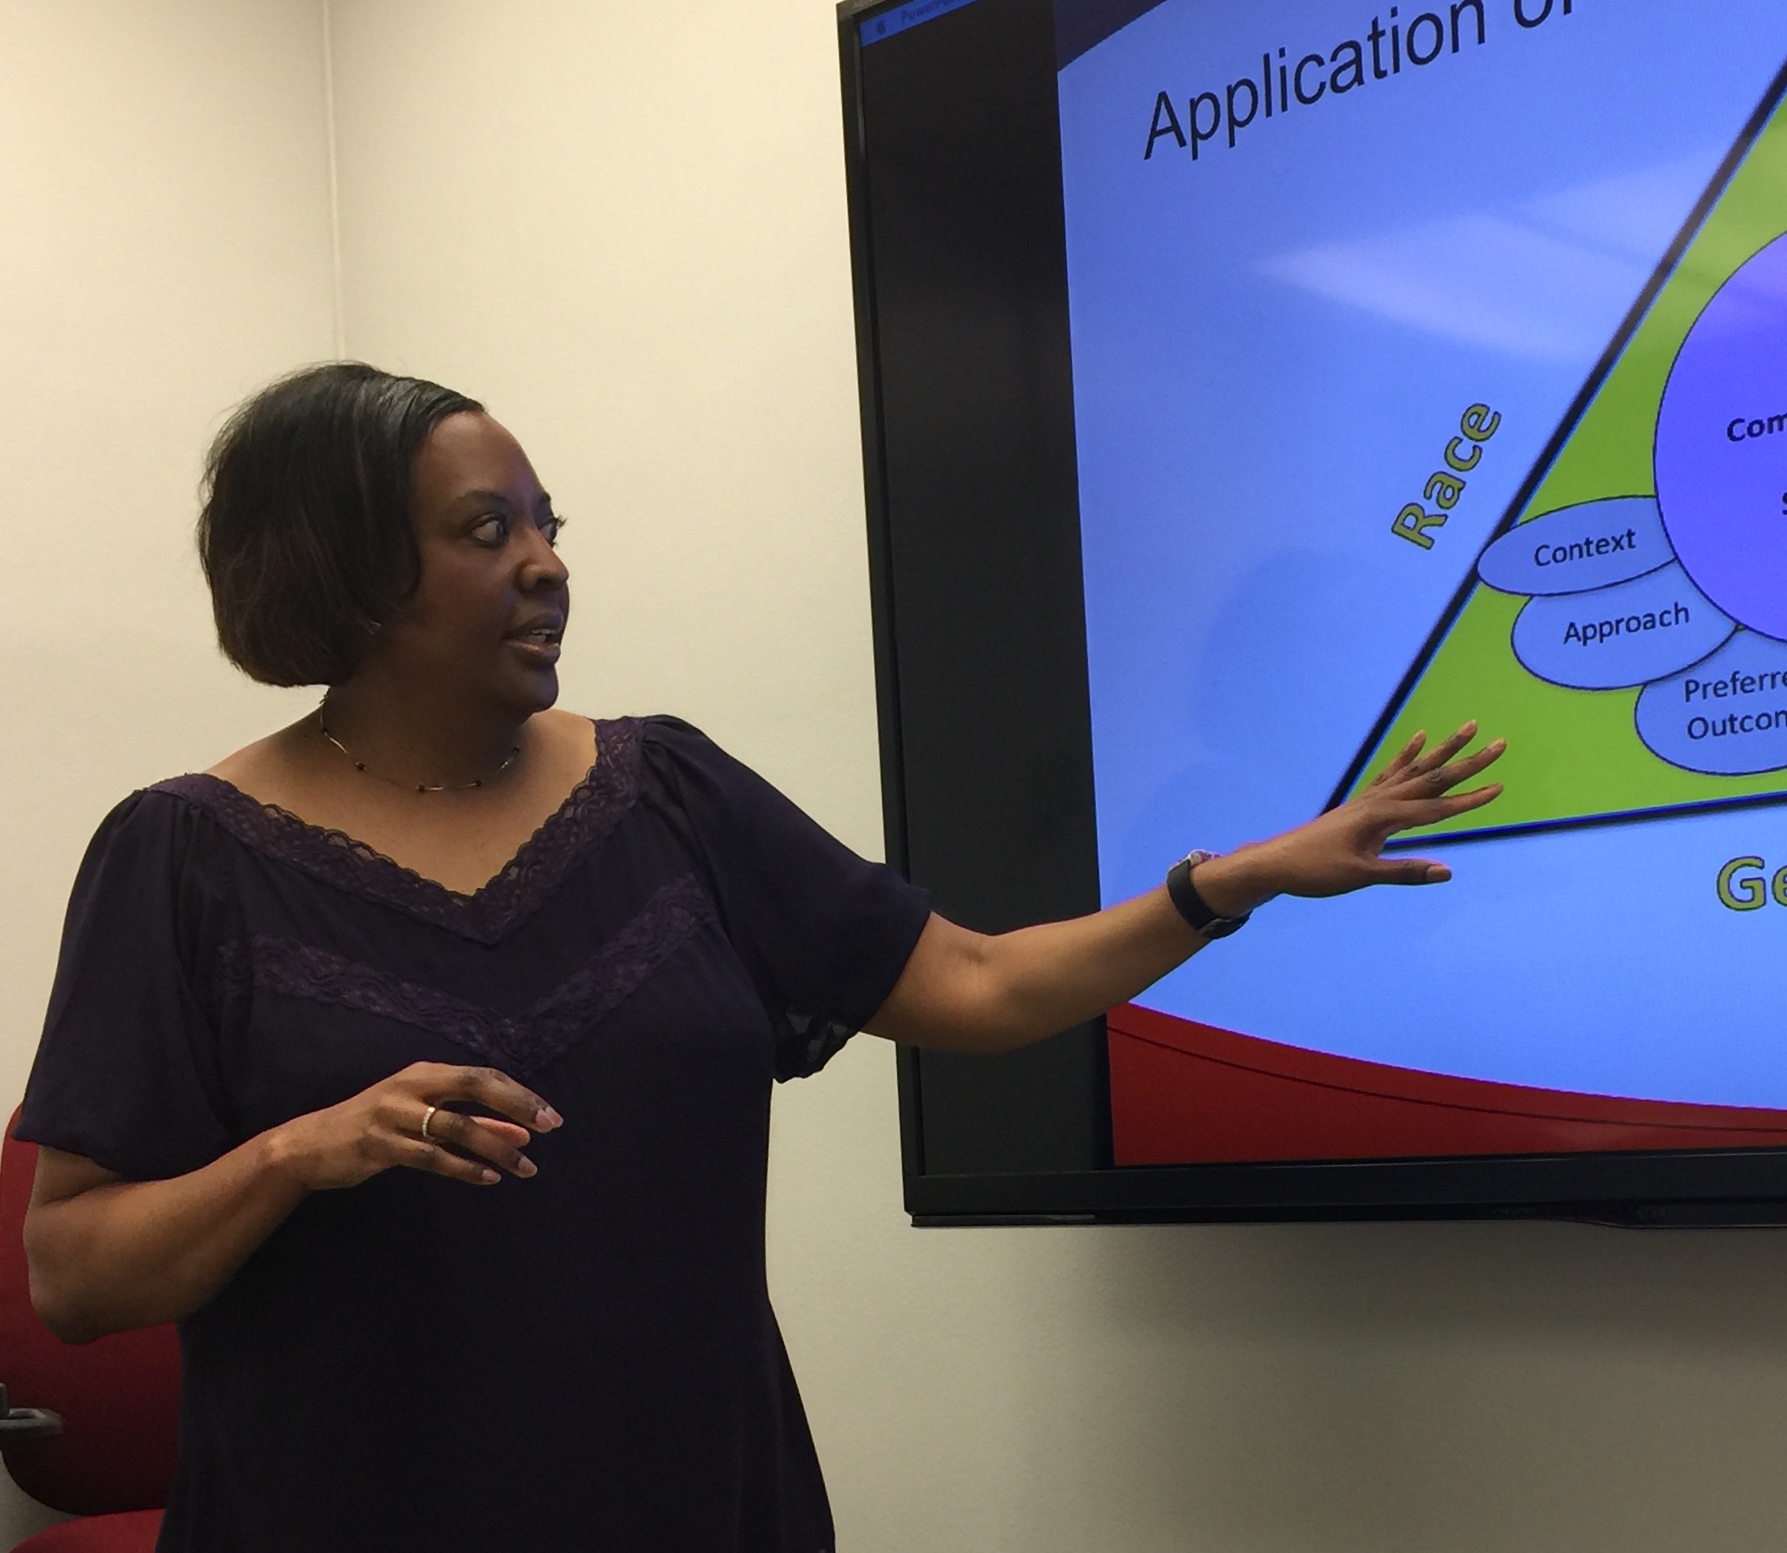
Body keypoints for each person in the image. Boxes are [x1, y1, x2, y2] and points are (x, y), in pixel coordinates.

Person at [15, 363, 1506, 1553]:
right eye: (486, 532)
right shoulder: (186, 856)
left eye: (548, 524)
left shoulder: (668, 793)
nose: (546, 564)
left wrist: (1227, 884)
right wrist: (300, 1151)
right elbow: (73, 1273)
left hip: (700, 1502)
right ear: (344, 568)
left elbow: (981, 988)